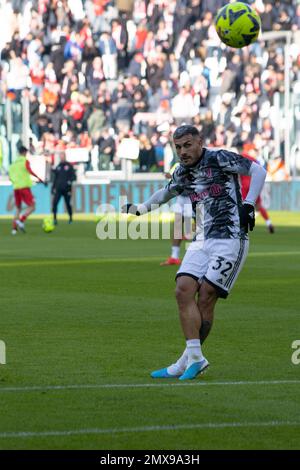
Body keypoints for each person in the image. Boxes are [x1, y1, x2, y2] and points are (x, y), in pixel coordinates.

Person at [122, 125, 266, 380]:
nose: (183, 151)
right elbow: (166, 192)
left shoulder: (219, 158)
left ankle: (187, 360)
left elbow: (257, 170)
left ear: (200, 141)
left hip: (231, 238)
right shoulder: (182, 173)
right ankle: (194, 358)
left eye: (187, 145)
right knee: (183, 289)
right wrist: (140, 209)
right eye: (178, 147)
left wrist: (248, 203)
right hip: (202, 239)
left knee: (206, 297)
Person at [160, 163, 193, 266]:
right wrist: (169, 176)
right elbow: (173, 178)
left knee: (200, 225)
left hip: (194, 197)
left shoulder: (197, 163)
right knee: (177, 226)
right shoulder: (178, 164)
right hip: (181, 198)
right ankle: (174, 257)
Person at [8, 145, 46, 235]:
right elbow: (30, 171)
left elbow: (10, 177)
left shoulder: (13, 164)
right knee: (32, 206)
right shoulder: (25, 161)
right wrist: (39, 179)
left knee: (18, 208)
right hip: (24, 187)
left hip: (16, 188)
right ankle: (21, 220)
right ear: (25, 153)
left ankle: (14, 229)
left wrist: (16, 183)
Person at [240, 147, 275, 233]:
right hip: (254, 185)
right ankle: (269, 223)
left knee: (243, 205)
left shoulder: (241, 157)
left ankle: (243, 225)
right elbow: (261, 172)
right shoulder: (255, 160)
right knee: (258, 205)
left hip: (245, 185)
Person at [52, 151, 76, 224]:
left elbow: (74, 176)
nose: (61, 157)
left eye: (62, 156)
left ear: (65, 156)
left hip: (67, 189)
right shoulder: (58, 166)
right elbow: (55, 178)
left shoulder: (69, 166)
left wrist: (69, 181)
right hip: (59, 189)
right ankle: (55, 219)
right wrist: (53, 188)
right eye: (60, 156)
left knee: (68, 204)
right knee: (55, 203)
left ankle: (70, 218)